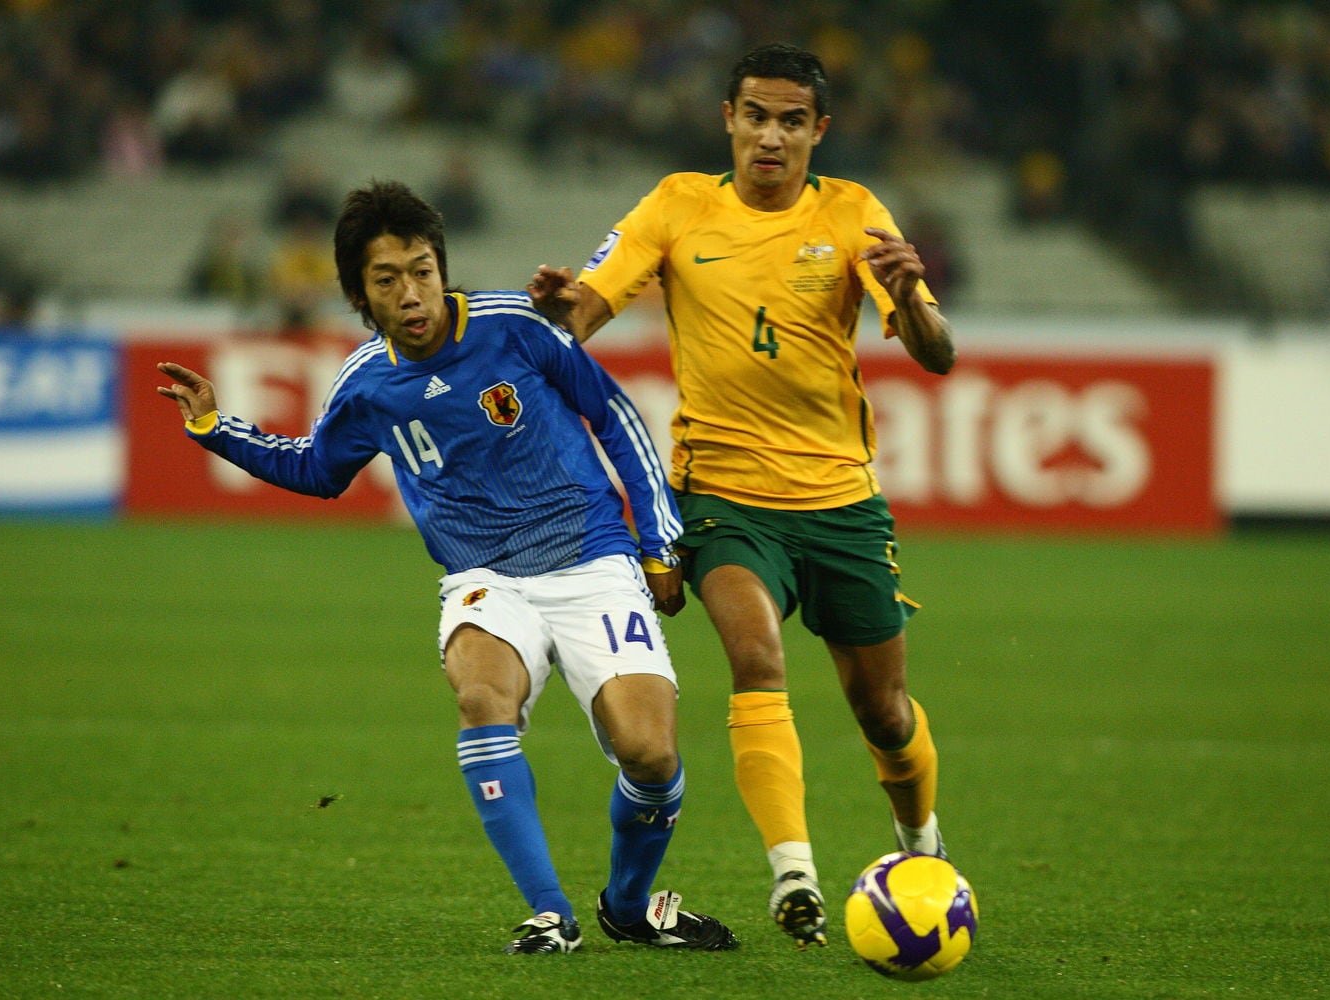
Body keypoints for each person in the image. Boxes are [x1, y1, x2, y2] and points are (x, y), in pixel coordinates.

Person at [156, 180, 737, 956]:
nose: (412, 292)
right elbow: (317, 468)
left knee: (652, 756)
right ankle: (548, 913)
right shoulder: (366, 381)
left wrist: (660, 538)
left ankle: (627, 907)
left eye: (423, 269)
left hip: (593, 559)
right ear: (361, 296)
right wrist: (211, 425)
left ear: (442, 266)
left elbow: (616, 416)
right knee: (481, 699)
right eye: (387, 279)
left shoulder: (515, 329)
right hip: (484, 578)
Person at [528, 42, 958, 950]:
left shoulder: (852, 214)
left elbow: (936, 352)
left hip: (841, 500)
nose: (771, 135)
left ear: (818, 131)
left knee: (883, 711)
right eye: (755, 116)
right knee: (757, 659)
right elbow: (576, 323)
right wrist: (556, 308)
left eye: (791, 120)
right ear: (727, 118)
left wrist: (915, 299)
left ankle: (921, 844)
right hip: (722, 496)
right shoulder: (677, 204)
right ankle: (793, 873)